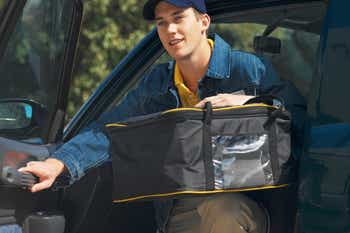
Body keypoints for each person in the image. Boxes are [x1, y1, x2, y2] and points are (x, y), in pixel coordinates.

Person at [20, 0, 306, 232]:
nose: (170, 30)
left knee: (221, 208)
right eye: (161, 22)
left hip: (241, 209)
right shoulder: (157, 84)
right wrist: (59, 163)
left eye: (178, 17)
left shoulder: (248, 69)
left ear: (203, 22)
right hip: (176, 212)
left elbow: (296, 115)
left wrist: (248, 101)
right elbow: (112, 129)